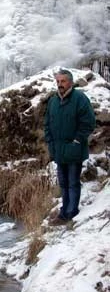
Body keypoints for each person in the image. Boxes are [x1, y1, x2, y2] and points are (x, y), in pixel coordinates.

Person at [44, 69, 96, 225]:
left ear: (70, 82)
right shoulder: (53, 101)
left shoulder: (80, 99)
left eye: (63, 81)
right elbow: (47, 124)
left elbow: (89, 123)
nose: (60, 84)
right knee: (63, 183)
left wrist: (77, 141)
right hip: (59, 150)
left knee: (72, 182)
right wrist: (50, 142)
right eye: (58, 81)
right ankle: (63, 212)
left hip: (74, 149)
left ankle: (71, 213)